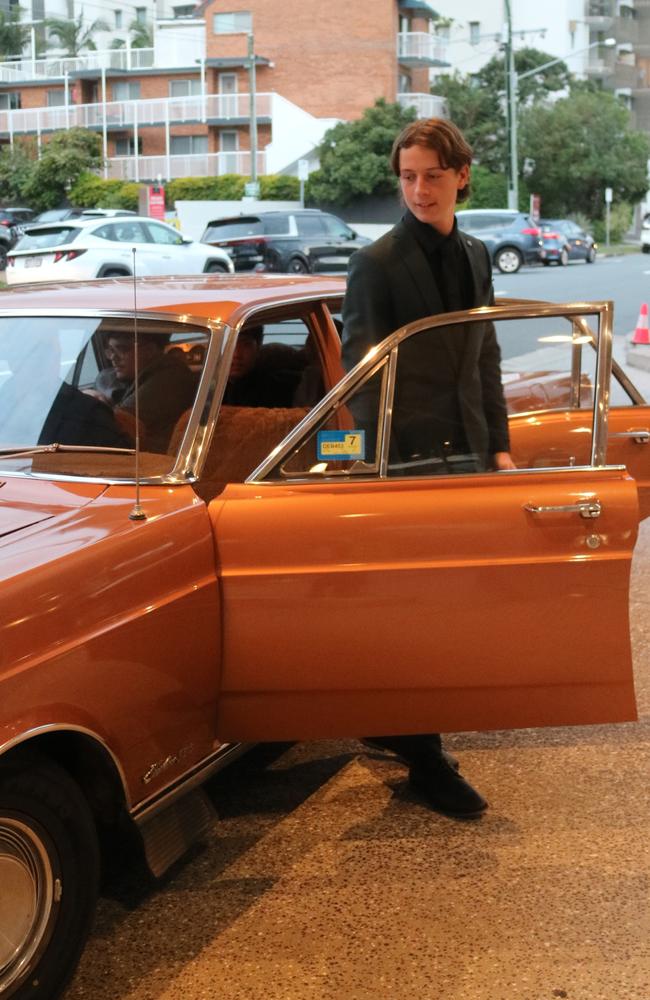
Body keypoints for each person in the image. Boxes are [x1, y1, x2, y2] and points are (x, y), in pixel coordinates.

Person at [342, 117, 515, 819]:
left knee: (457, 608)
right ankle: (425, 759)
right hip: (407, 460)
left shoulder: (475, 252)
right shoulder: (377, 262)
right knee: (416, 613)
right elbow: (361, 372)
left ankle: (407, 729)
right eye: (408, 176)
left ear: (461, 177)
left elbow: (486, 355)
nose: (419, 189)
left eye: (433, 176)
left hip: (470, 451)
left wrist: (499, 444)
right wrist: (384, 466)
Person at [96, 332, 197, 452]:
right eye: (110, 350)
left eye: (122, 349)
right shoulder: (112, 377)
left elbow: (121, 423)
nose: (113, 357)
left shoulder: (170, 376)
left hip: (159, 463)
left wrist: (94, 401)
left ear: (149, 350)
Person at [223, 324, 303, 408]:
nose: (237, 354)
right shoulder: (211, 387)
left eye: (246, 345)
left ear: (258, 348)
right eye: (230, 344)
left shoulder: (275, 390)